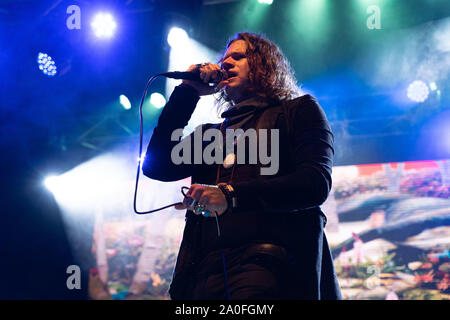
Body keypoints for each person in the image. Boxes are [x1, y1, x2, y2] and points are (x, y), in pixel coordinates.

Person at [142, 32, 342, 300]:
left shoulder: (298, 111)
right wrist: (187, 93)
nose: (227, 64)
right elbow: (157, 165)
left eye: (238, 56)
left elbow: (314, 184)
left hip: (269, 262)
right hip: (202, 270)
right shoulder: (210, 135)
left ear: (264, 64)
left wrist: (230, 195)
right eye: (224, 60)